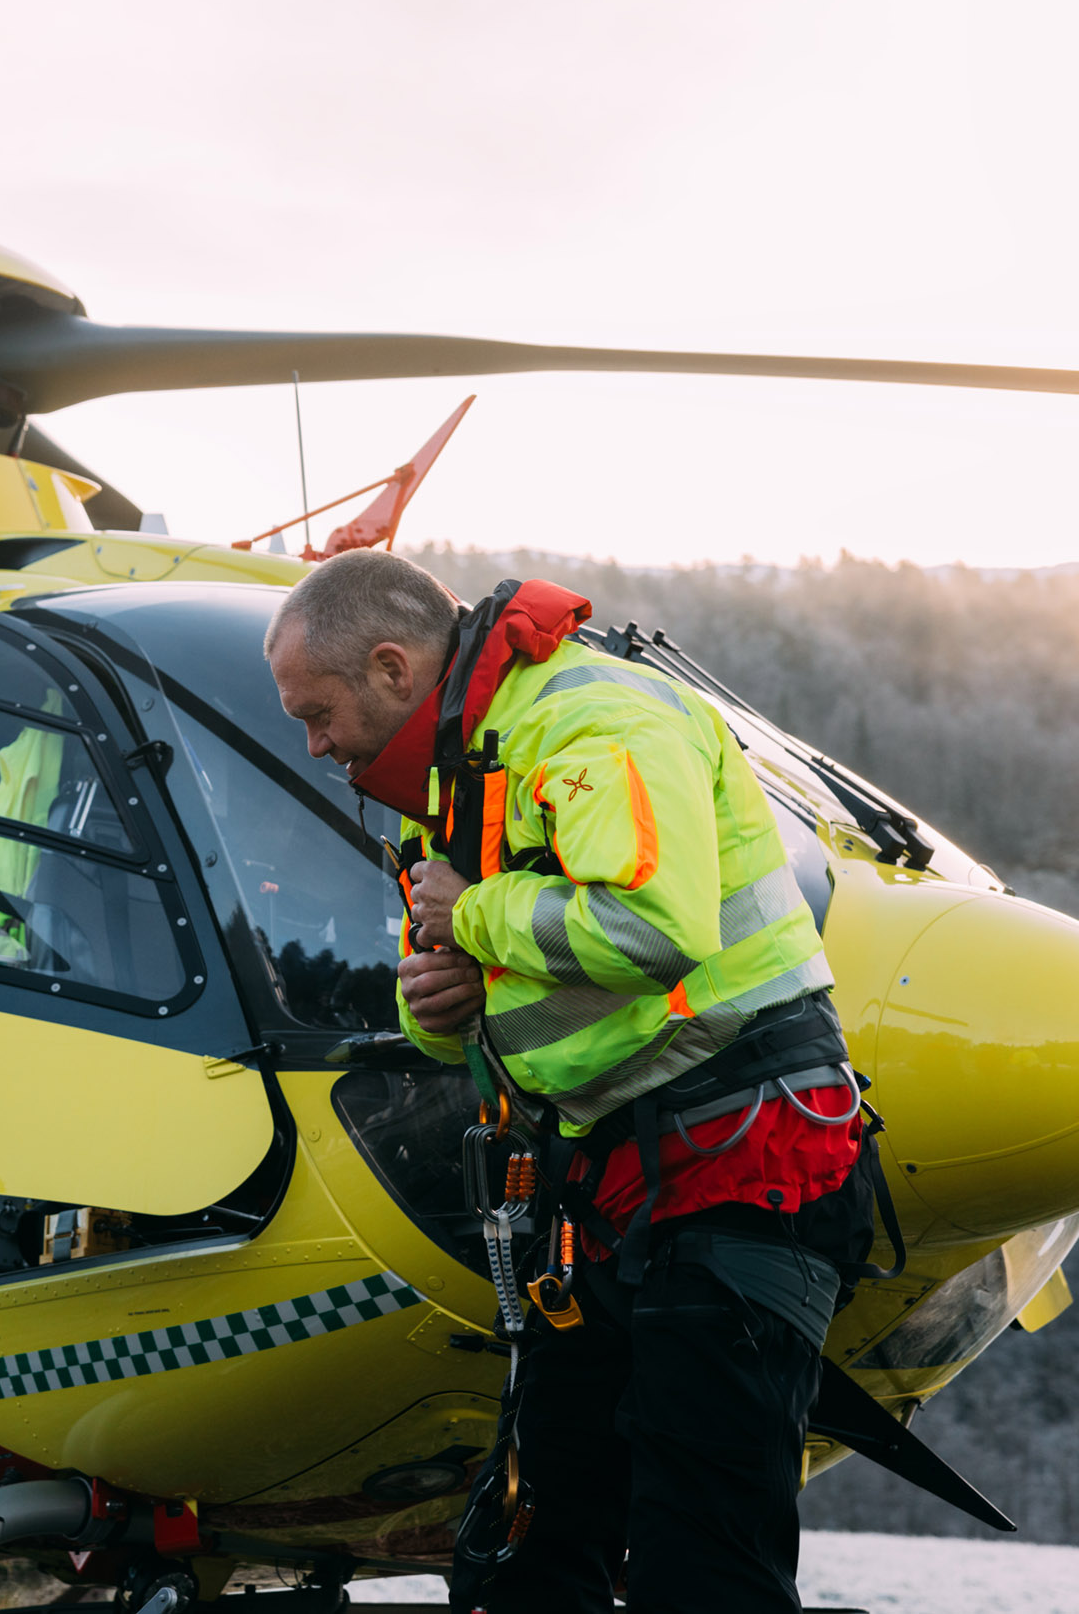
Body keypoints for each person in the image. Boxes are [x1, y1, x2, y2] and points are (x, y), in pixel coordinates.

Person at [264, 550, 869, 1614]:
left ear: (395, 668)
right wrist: (431, 999)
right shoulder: (455, 780)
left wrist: (477, 916)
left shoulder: (591, 725)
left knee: (701, 1559)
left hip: (742, 1156)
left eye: (318, 713)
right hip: (606, 1183)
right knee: (527, 1542)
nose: (317, 745)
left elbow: (653, 924)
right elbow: (467, 983)